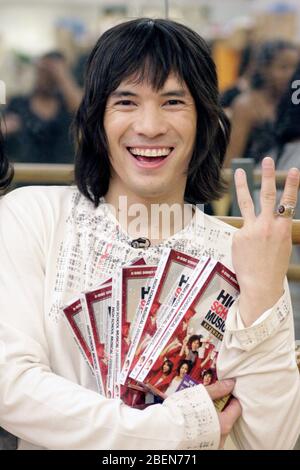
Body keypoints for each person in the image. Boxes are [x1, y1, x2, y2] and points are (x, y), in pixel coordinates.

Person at [0, 18, 299, 451]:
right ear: (97, 118)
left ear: (205, 120)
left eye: (173, 101)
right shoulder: (35, 217)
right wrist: (172, 431)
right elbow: (12, 386)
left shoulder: (244, 254)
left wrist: (265, 292)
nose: (150, 125)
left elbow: (269, 441)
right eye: (126, 102)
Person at [224, 40, 299, 167]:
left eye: (295, 68)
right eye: (283, 67)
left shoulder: (292, 103)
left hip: (287, 176)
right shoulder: (246, 105)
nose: (290, 74)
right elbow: (232, 158)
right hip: (255, 179)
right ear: (264, 69)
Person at [2, 51, 82, 164]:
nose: (44, 78)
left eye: (50, 73)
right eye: (42, 71)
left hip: (62, 176)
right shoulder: (18, 104)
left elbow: (83, 111)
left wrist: (62, 76)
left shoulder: (67, 105)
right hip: (25, 176)